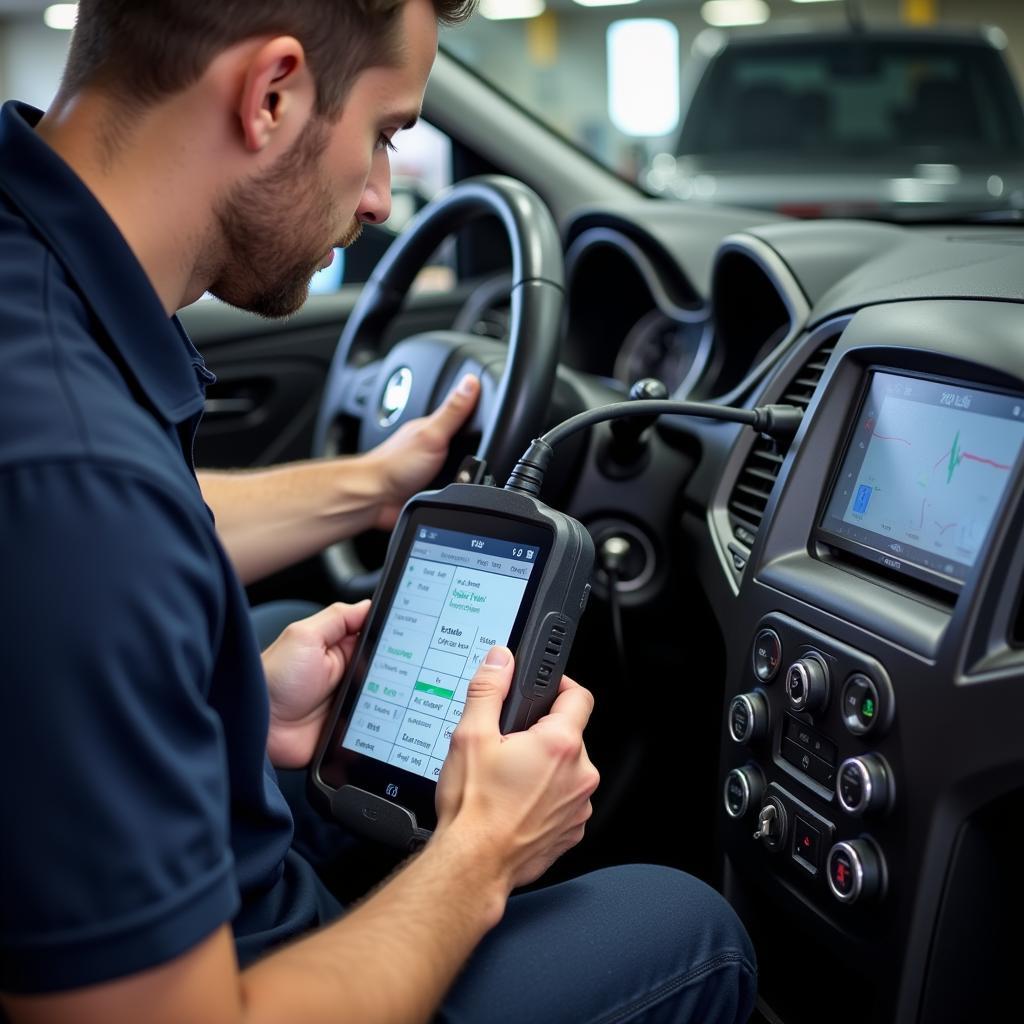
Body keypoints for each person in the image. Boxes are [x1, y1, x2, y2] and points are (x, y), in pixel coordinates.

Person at [0, 2, 757, 1022]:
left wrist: (234, 691)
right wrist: (482, 849)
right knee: (686, 927)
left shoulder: (32, 273)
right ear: (270, 95)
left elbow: (136, 532)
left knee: (279, 660)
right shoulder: (78, 490)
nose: (378, 195)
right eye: (388, 132)